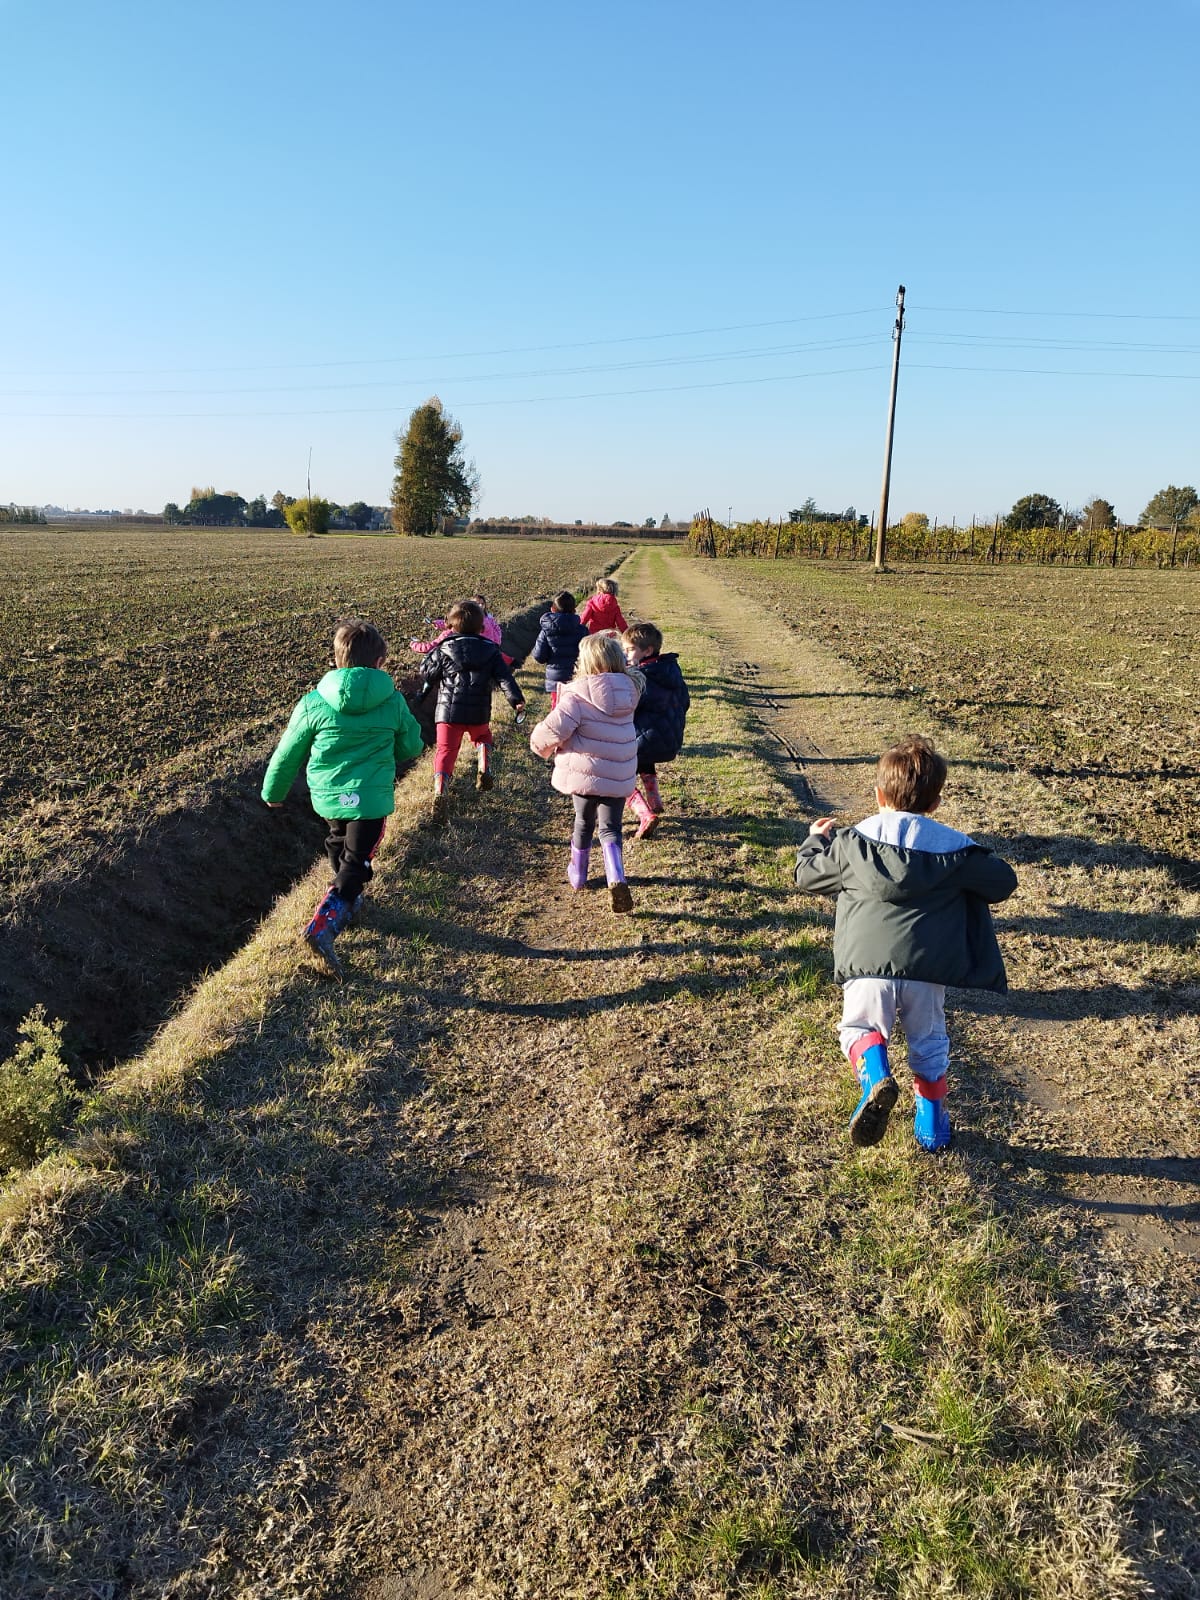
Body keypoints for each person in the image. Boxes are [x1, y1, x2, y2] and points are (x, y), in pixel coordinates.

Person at [793, 734, 1017, 1152]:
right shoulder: (955, 851)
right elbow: (1003, 881)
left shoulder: (850, 843)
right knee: (929, 1041)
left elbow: (806, 875)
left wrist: (815, 839)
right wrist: (967, 852)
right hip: (926, 969)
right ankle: (931, 1125)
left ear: (879, 795)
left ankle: (876, 1075)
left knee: (860, 1028)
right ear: (935, 804)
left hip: (866, 964)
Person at [262, 618, 424, 976]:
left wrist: (273, 791)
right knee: (359, 860)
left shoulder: (314, 702)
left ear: (336, 660)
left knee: (339, 841)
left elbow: (287, 752)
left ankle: (347, 899)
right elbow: (411, 745)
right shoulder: (393, 701)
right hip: (369, 799)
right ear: (381, 662)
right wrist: (398, 745)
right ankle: (325, 922)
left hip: (328, 793)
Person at [529, 634, 643, 914]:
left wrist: (538, 745)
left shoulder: (577, 695)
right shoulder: (630, 691)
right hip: (619, 770)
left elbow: (552, 730)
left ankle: (578, 876)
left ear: (585, 663)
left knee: (583, 823)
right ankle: (615, 876)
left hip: (585, 772)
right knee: (611, 827)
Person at [419, 598, 524, 820]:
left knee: (445, 751)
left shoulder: (444, 648)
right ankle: (483, 763)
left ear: (450, 626)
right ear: (482, 627)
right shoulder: (491, 650)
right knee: (483, 737)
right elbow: (504, 678)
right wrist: (516, 700)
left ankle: (440, 789)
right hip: (478, 711)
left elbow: (427, 673)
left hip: (448, 713)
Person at [621, 621, 690, 839]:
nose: (625, 653)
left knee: (620, 777)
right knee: (643, 750)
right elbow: (685, 702)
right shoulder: (670, 670)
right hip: (671, 740)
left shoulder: (640, 677)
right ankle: (654, 800)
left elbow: (627, 706)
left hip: (650, 741)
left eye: (630, 649)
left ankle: (645, 814)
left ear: (647, 651)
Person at [531, 591, 589, 706]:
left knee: (558, 710)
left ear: (552, 609)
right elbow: (589, 654)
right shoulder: (582, 630)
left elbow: (539, 656)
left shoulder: (546, 631)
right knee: (578, 710)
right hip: (578, 677)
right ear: (574, 609)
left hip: (556, 681)